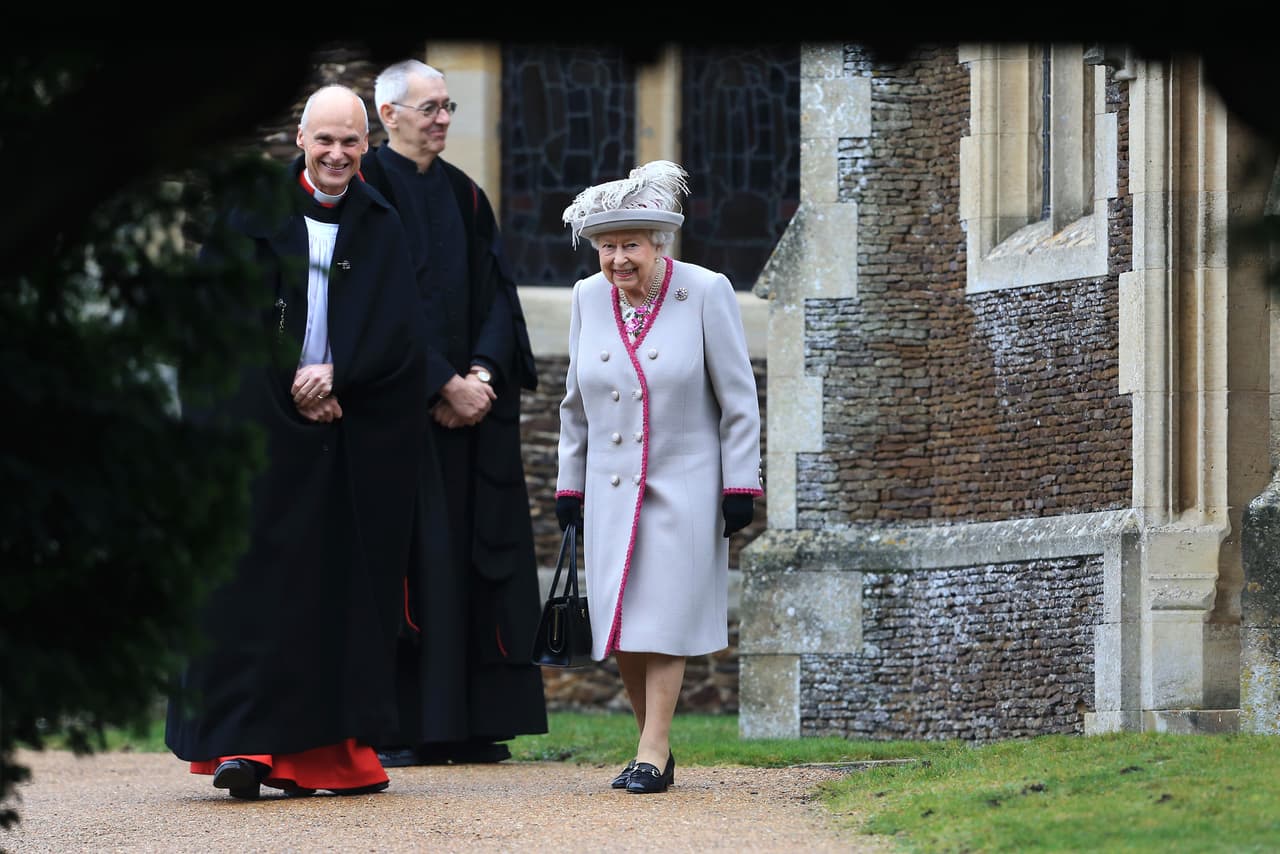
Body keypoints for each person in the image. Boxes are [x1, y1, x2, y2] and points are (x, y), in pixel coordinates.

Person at [164, 84, 429, 799]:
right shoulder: (246, 216)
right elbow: (218, 329)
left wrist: (342, 376)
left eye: (350, 141)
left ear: (366, 146)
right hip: (257, 430)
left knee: (334, 596)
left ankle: (324, 756)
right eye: (325, 140)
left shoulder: (383, 223)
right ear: (300, 141)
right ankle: (243, 749)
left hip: (348, 436)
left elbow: (403, 335)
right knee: (250, 592)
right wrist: (289, 386)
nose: (337, 154)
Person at [359, 59, 547, 766]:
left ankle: (471, 723)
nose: (442, 118)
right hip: (401, 419)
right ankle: (402, 728)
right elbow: (375, 304)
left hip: (470, 423)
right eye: (429, 107)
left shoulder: (468, 197)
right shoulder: (365, 191)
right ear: (389, 115)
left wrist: (482, 375)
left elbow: (499, 295)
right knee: (412, 565)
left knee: (476, 563)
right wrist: (440, 382)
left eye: (447, 106)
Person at [555, 161, 763, 794]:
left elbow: (738, 397)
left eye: (630, 246)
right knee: (621, 621)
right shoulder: (588, 298)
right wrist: (570, 485)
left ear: (658, 242)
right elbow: (573, 403)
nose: (618, 260)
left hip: (686, 484)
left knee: (664, 612)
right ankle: (655, 751)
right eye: (607, 248)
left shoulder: (705, 291)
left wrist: (739, 484)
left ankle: (652, 749)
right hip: (612, 487)